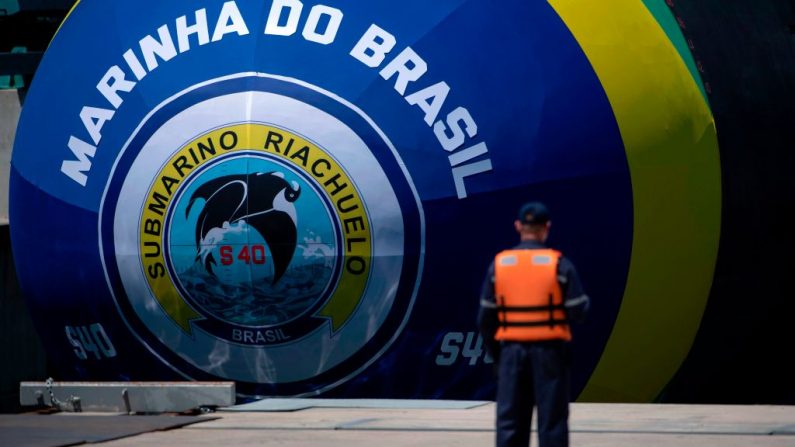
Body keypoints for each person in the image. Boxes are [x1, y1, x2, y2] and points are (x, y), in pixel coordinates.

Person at [478, 201, 589, 447]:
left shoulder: (499, 266)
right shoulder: (559, 265)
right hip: (549, 353)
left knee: (510, 422)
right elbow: (579, 310)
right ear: (546, 228)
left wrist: (498, 355)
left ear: (518, 226)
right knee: (552, 422)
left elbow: (485, 319)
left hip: (511, 353)